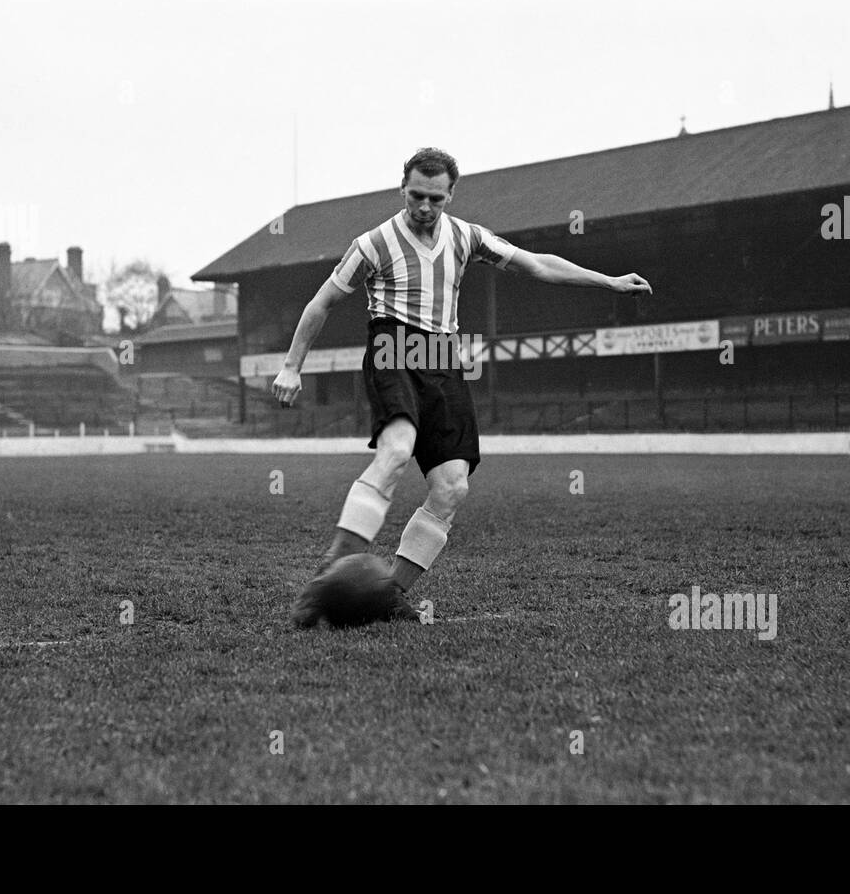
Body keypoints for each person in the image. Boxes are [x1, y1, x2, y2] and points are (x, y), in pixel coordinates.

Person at [273, 147, 651, 625]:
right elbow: (321, 303)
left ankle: (389, 595)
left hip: (444, 355)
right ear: (402, 188)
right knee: (396, 449)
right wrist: (292, 365)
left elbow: (535, 264)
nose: (424, 207)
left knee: (452, 487)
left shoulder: (467, 236)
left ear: (451, 194)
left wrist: (610, 282)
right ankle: (324, 583)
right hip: (394, 345)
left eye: (435, 197)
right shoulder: (372, 243)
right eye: (416, 196)